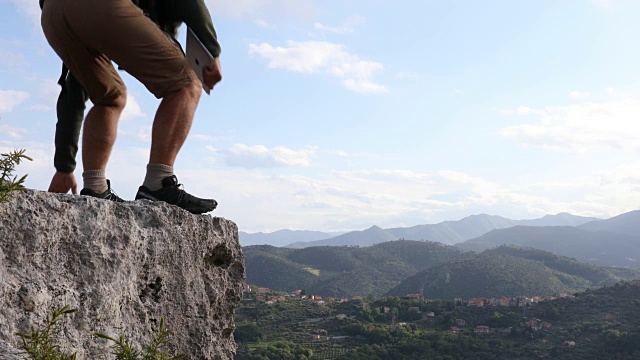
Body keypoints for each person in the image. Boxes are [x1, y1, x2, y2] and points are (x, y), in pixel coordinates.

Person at [41, 0, 222, 214]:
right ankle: (158, 183)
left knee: (110, 96)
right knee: (186, 83)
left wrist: (64, 168)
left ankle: (95, 187)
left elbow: (73, 93)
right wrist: (212, 51)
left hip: (53, 14)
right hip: (103, 6)